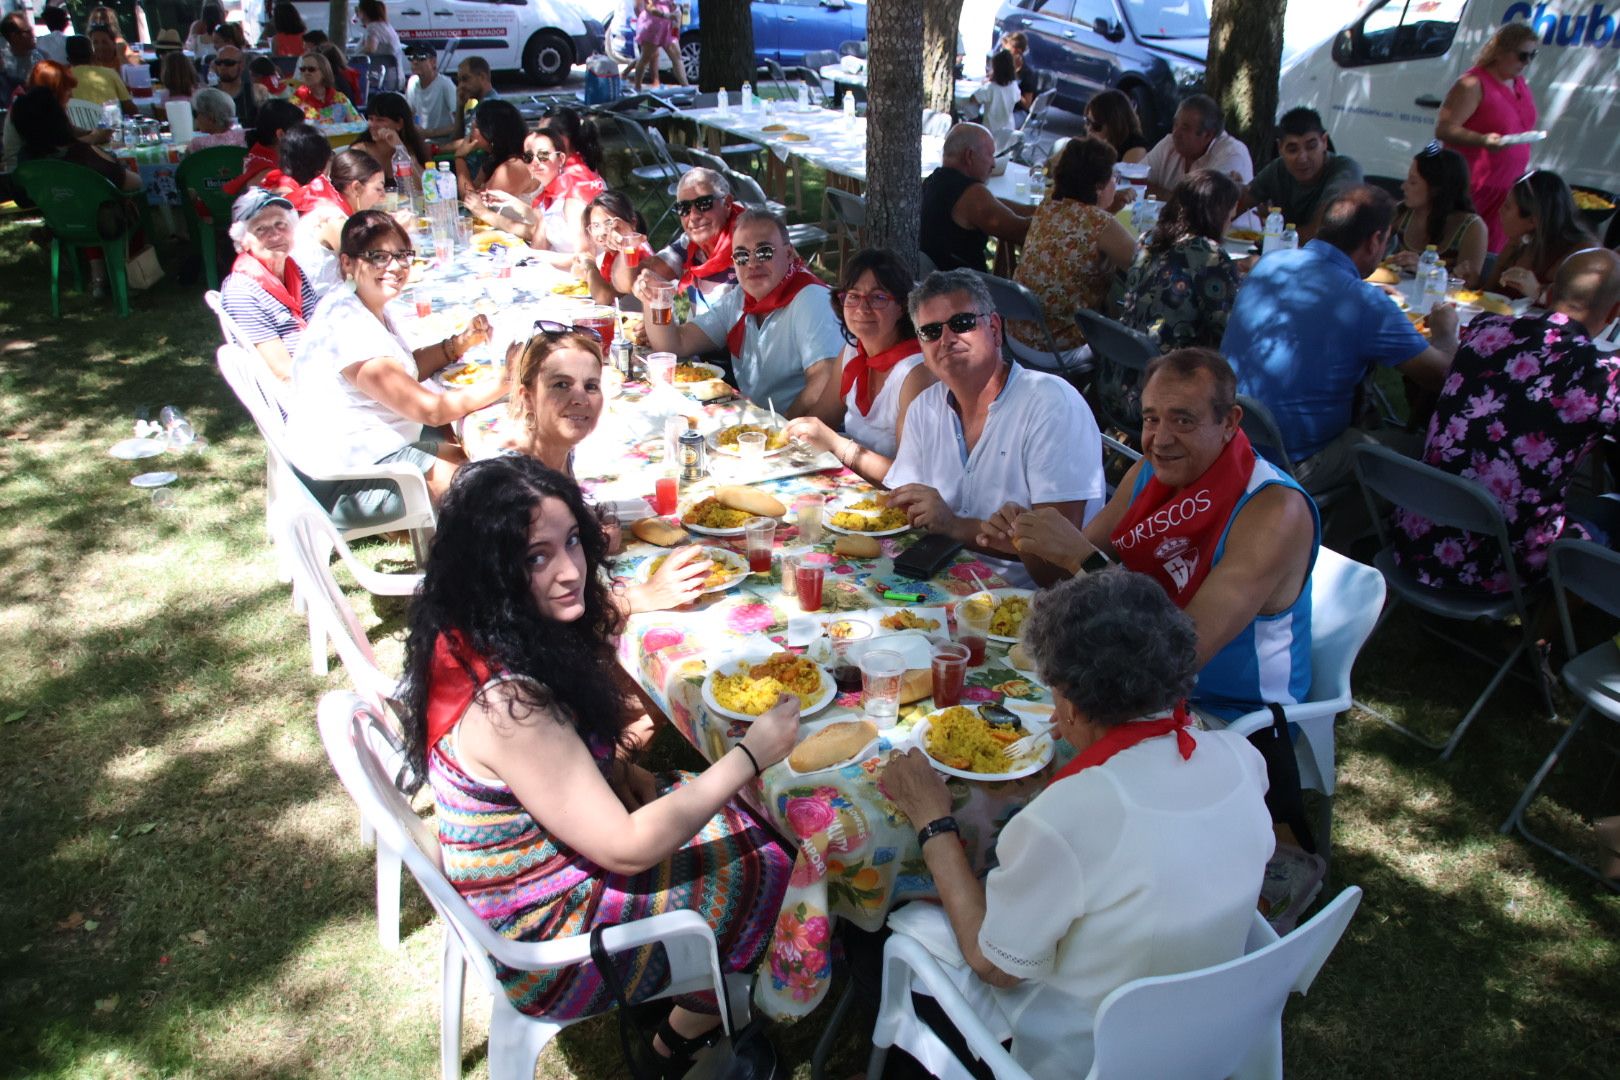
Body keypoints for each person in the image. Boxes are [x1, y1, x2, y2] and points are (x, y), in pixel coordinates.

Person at [396, 455, 792, 1069]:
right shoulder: (512, 706)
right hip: (549, 944)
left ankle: (692, 992)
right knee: (777, 856)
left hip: (524, 882)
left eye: (572, 542)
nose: (569, 571)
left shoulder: (470, 632)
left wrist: (621, 767)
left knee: (704, 794)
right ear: (491, 570)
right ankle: (680, 1039)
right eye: (536, 556)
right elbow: (628, 848)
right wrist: (750, 754)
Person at [879, 569, 1273, 1080]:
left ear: (1068, 702)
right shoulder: (1242, 757)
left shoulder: (1065, 816)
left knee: (902, 927)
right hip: (1209, 1025)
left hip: (1090, 1055)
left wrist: (933, 823)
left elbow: (993, 965)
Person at [983, 349, 1319, 720]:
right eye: (1151, 419)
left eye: (1183, 421)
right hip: (1130, 677)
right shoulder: (1149, 471)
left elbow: (1178, 655)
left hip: (1225, 716)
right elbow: (1064, 581)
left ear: (1229, 422)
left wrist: (1082, 558)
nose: (1160, 440)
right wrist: (1030, 540)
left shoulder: (1274, 510)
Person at [1393, 248, 1620, 591]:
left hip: (1414, 535)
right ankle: (1547, 638)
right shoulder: (1602, 379)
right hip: (1503, 567)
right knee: (1612, 516)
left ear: (1552, 292)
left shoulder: (1486, 330)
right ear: (1615, 313)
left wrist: (1445, 334)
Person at [1221, 186, 1460, 495]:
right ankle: (1350, 534)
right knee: (1421, 451)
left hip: (1228, 440)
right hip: (1287, 466)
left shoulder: (1270, 263)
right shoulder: (1363, 303)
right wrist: (1446, 332)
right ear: (1376, 240)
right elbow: (1443, 376)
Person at [884, 269, 1104, 582]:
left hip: (1031, 601)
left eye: (962, 323)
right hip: (939, 579)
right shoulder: (924, 408)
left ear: (996, 329)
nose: (946, 339)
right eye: (931, 332)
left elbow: (1059, 563)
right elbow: (903, 508)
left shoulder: (1051, 404)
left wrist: (954, 525)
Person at [288, 210, 506, 514]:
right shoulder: (349, 327)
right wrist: (508, 380)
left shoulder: (357, 301)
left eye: (402, 255)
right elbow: (431, 410)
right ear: (347, 263)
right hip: (344, 485)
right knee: (490, 491)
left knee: (481, 461)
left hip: (365, 457)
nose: (395, 267)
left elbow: (404, 371)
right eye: (378, 257)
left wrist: (457, 344)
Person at [635, 208, 845, 417]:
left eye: (764, 252)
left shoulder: (811, 300)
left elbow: (824, 381)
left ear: (789, 254)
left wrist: (782, 429)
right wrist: (653, 298)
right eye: (742, 256)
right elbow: (675, 344)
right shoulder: (740, 298)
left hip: (800, 432)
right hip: (755, 426)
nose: (753, 263)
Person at [785, 249, 934, 484]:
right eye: (853, 296)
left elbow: (910, 478)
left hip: (896, 505)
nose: (862, 309)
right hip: (852, 487)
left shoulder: (916, 373)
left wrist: (837, 446)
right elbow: (823, 419)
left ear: (902, 306)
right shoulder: (853, 351)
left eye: (878, 297)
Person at [1009, 136, 1135, 356]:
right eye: (1114, 176)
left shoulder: (1048, 206)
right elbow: (1142, 267)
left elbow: (1079, 232)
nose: (1116, 182)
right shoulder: (1100, 223)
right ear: (1098, 186)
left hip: (1015, 338)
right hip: (1056, 349)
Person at [1436, 21, 1540, 254]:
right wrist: (1482, 140)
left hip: (1506, 189)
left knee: (1492, 254)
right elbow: (1444, 129)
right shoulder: (1472, 84)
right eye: (1522, 55)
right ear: (1501, 51)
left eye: (1533, 55)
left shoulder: (1518, 82)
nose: (1527, 63)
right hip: (1475, 188)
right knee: (1462, 252)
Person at [1119, 168, 1243, 352]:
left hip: (1123, 360)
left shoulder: (1148, 240)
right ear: (1217, 216)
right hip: (1172, 369)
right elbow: (1231, 326)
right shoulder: (1209, 256)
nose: (1229, 225)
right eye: (1229, 218)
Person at [220, 189, 317, 381]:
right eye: (260, 229)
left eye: (280, 224)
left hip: (319, 365)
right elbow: (282, 371)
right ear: (243, 241)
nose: (274, 235)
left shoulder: (292, 269)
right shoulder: (242, 292)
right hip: (298, 393)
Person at [1237, 107, 1363, 242]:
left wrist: (1272, 235)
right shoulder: (1278, 169)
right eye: (1292, 149)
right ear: (1280, 148)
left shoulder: (1346, 170)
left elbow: (1320, 232)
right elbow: (1239, 203)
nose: (1302, 158)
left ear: (1324, 142)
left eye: (1311, 147)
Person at [919, 122, 1030, 273]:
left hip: (935, 282)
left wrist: (1042, 210)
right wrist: (1058, 217)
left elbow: (996, 204)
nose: (993, 163)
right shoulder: (972, 195)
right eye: (990, 155)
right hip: (963, 289)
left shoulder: (934, 181)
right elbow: (1022, 232)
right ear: (969, 156)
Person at [286, 137, 387, 294]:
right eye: (378, 189)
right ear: (356, 188)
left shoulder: (330, 206)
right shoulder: (333, 218)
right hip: (317, 302)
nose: (383, 197)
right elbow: (368, 269)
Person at [631, 167, 741, 306]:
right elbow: (635, 276)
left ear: (727, 204)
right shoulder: (689, 243)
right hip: (699, 327)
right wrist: (626, 245)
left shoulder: (748, 246)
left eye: (704, 204)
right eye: (684, 208)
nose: (693, 216)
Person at [1484, 169, 1597, 302]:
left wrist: (1538, 292)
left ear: (1533, 220)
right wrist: (1472, 283)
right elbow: (1487, 294)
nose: (1499, 210)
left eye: (1507, 207)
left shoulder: (1584, 253)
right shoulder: (1520, 241)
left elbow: (1581, 307)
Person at [1388, 143, 1488, 288]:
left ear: (1437, 189)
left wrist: (1429, 271)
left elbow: (1469, 287)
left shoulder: (1472, 228)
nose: (1404, 186)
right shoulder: (1402, 213)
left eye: (1413, 182)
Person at [1140, 94, 1254, 219]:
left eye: (1185, 128)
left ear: (1208, 136)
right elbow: (1134, 181)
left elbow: (1206, 209)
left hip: (1233, 236)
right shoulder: (1169, 144)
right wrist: (1178, 200)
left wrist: (1159, 194)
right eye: (1175, 124)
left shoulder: (1232, 153)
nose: (1176, 133)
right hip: (1176, 230)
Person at [11, 85, 139, 192]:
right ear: (60, 117)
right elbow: (136, 184)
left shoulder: (26, 160)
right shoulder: (83, 155)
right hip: (97, 220)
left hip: (57, 220)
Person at [2, 60, 109, 176]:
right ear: (54, 89)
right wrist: (95, 136)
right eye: (67, 89)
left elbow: (67, 131)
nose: (71, 95)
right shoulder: (32, 110)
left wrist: (91, 131)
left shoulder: (38, 106)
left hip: (39, 170)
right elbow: (61, 149)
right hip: (25, 176)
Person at [574, 190, 653, 307]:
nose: (601, 233)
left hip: (643, 322)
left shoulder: (633, 251)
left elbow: (604, 297)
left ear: (632, 223)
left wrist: (590, 265)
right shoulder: (612, 252)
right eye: (596, 226)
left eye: (608, 223)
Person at [222, 98, 303, 196]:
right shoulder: (269, 174)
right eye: (299, 132)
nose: (303, 136)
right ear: (281, 134)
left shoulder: (259, 155)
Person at [454, 98, 530, 199]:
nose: (472, 128)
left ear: (492, 132)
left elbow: (473, 203)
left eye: (477, 125)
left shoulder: (513, 166)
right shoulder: (493, 158)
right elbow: (474, 189)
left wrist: (459, 158)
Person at [354, 90, 428, 175]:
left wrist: (401, 150)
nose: (373, 125)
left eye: (380, 120)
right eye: (370, 119)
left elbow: (425, 184)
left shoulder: (411, 147)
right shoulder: (360, 152)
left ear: (399, 124)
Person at [67, 34, 136, 116]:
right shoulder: (110, 73)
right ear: (93, 56)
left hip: (77, 127)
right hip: (111, 125)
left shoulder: (61, 79)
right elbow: (129, 108)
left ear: (68, 59)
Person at [404, 43, 456, 141]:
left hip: (443, 144)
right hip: (422, 142)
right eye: (411, 57)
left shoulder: (445, 84)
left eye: (421, 57)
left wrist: (430, 133)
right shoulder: (412, 82)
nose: (414, 61)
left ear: (433, 62)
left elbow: (460, 124)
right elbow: (409, 115)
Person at [630, 0, 685, 92]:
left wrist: (676, 11)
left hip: (667, 27)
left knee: (677, 57)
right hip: (653, 26)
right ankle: (637, 87)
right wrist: (665, 15)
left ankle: (686, 86)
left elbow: (672, 5)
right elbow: (649, 7)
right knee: (645, 58)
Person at [1083, 88, 1148, 165]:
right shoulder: (1092, 142)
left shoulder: (1135, 148)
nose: (1089, 129)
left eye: (1096, 126)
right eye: (1088, 121)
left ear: (1114, 126)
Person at [291, 51, 360, 125]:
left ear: (324, 72)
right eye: (303, 69)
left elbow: (358, 125)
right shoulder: (296, 100)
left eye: (311, 69)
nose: (306, 73)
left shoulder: (339, 98)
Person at [971, 50, 1018, 147]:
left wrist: (985, 83)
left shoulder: (991, 87)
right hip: (1008, 130)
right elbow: (1017, 98)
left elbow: (973, 99)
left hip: (990, 131)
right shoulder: (1014, 86)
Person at [357, 0, 406, 89]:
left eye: (358, 11)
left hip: (379, 82)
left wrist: (354, 55)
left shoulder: (373, 28)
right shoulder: (387, 26)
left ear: (364, 12)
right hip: (396, 79)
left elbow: (371, 48)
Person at [209, 45, 262, 128]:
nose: (223, 67)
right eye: (218, 63)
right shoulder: (209, 94)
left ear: (241, 66)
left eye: (229, 63)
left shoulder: (255, 91)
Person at [2, 12, 47, 101]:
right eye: (28, 31)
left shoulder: (41, 57)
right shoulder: (3, 62)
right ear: (14, 37)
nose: (33, 35)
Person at [187, 86, 245, 151]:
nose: (195, 118)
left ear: (210, 118)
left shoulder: (197, 144)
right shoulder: (244, 138)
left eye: (195, 113)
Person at [453, 55, 497, 138]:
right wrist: (460, 106)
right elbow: (459, 138)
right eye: (459, 81)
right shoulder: (478, 105)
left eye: (465, 79)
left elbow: (472, 143)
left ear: (482, 77)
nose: (460, 86)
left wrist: (436, 149)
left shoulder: (490, 107)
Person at [999, 29, 1038, 111]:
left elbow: (1027, 104)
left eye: (1007, 51)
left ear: (1017, 51)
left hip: (1016, 112)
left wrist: (1013, 89)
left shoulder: (1027, 73)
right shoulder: (1003, 65)